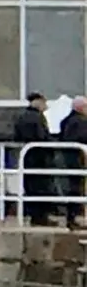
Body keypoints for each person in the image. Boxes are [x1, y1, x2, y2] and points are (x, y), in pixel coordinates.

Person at [13, 93, 54, 225]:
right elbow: (41, 136)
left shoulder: (22, 116)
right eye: (43, 102)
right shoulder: (37, 117)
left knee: (30, 187)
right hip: (39, 157)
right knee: (41, 187)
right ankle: (40, 218)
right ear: (37, 102)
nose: (45, 106)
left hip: (27, 157)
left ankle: (34, 216)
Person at [60, 97, 87, 230]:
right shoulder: (80, 122)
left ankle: (72, 216)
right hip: (78, 158)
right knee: (77, 187)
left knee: (72, 187)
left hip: (69, 157)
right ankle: (74, 216)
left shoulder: (66, 121)